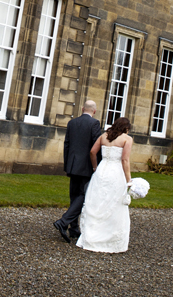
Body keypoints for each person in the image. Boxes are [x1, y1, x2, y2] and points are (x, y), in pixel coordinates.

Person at [75, 116, 133, 253]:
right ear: (126, 128)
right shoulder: (127, 139)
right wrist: (128, 179)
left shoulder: (104, 136)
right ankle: (109, 240)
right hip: (116, 173)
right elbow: (125, 159)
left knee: (97, 202)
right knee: (113, 204)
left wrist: (95, 167)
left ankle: (91, 237)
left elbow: (92, 152)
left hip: (101, 171)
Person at [53, 100, 102, 243]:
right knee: (83, 195)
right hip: (86, 166)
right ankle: (63, 222)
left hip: (73, 165)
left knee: (74, 196)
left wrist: (68, 164)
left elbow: (66, 144)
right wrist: (97, 166)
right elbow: (95, 146)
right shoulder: (94, 124)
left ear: (82, 109)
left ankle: (74, 230)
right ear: (94, 111)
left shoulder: (71, 123)